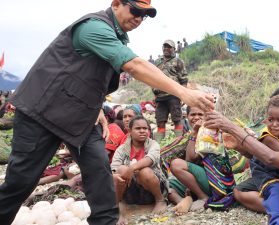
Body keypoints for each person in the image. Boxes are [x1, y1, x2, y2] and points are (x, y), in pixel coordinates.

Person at [0, 1, 214, 224]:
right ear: (116, 4)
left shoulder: (116, 36)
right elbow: (134, 65)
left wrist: (98, 107)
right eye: (136, 11)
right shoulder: (93, 27)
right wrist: (183, 93)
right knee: (20, 183)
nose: (139, 18)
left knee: (100, 173)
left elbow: (90, 78)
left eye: (145, 15)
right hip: (42, 113)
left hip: (81, 117)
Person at [169, 106, 236, 214]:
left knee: (176, 165)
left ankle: (202, 197)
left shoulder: (211, 132)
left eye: (200, 114)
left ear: (206, 117)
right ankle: (186, 200)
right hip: (201, 178)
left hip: (215, 180)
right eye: (193, 114)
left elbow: (190, 159)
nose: (196, 117)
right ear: (187, 116)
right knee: (170, 186)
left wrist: (195, 132)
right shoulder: (190, 134)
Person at [247, 94, 279, 225]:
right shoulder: (266, 136)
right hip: (265, 174)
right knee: (275, 190)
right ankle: (277, 220)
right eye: (270, 120)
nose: (274, 125)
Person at [111, 116, 167, 225]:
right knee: (121, 170)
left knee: (144, 171)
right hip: (131, 192)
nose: (142, 131)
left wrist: (131, 168)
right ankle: (116, 208)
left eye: (145, 128)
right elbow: (114, 169)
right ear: (130, 131)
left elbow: (150, 159)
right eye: (138, 128)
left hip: (151, 190)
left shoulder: (153, 144)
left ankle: (160, 200)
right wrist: (117, 175)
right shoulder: (122, 149)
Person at [153, 39, 189, 142]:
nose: (166, 49)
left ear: (173, 49)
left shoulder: (178, 61)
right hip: (160, 97)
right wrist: (154, 94)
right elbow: (153, 78)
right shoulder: (157, 62)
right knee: (160, 121)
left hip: (173, 95)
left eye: (169, 47)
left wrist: (183, 95)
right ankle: (160, 145)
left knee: (177, 119)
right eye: (165, 46)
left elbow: (184, 79)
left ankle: (178, 143)